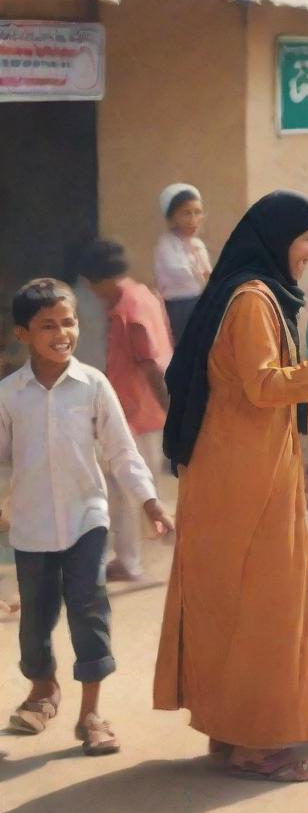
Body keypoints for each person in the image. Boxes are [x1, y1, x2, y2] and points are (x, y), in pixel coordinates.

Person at [154, 191, 308, 783]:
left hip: (238, 468)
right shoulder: (253, 301)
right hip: (246, 479)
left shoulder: (248, 294)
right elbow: (264, 386)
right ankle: (257, 746)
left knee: (234, 602)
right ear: (278, 238)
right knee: (266, 606)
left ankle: (230, 732)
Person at [1, 279, 174, 756]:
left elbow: (121, 451)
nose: (62, 333)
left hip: (86, 520)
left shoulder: (94, 385)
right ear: (23, 334)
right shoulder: (10, 395)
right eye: (47, 326)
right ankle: (43, 690)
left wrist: (150, 501)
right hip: (32, 527)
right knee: (35, 620)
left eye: (69, 322)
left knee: (89, 610)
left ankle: (91, 713)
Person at [80, 240, 173, 583]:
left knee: (130, 489)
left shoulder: (128, 309)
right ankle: (129, 557)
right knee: (132, 487)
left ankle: (132, 560)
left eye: (92, 284)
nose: (91, 291)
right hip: (137, 409)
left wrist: (170, 410)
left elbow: (150, 364)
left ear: (102, 279)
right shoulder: (143, 295)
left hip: (138, 411)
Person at [154, 183, 212, 344]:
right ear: (173, 217)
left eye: (197, 212)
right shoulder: (167, 244)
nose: (193, 219)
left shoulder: (198, 245)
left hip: (200, 304)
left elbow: (208, 276)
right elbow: (182, 274)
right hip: (178, 308)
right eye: (186, 213)